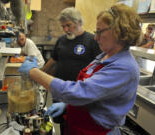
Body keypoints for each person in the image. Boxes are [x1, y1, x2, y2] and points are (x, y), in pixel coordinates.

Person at [18, 3, 142, 135]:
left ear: (118, 32)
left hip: (96, 131)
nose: (96, 37)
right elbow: (93, 92)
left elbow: (80, 92)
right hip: (78, 122)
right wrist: (67, 105)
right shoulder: (104, 55)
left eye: (100, 31)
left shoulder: (124, 68)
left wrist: (34, 72)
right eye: (96, 31)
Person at [41, 7, 101, 134]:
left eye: (69, 25)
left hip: (78, 93)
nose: (66, 29)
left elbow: (98, 68)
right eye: (63, 26)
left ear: (79, 22)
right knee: (60, 123)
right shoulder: (61, 40)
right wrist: (40, 73)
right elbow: (54, 59)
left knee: (75, 124)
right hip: (59, 91)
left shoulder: (92, 41)